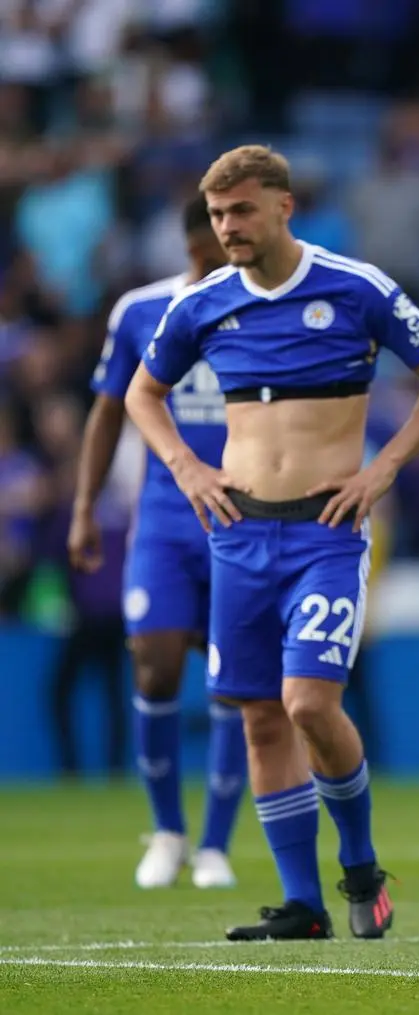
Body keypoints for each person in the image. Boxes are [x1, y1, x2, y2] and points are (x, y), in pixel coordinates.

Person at [124, 145, 419, 940]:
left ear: (284, 206)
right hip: (238, 533)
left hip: (324, 535)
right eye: (217, 216)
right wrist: (185, 465)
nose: (227, 228)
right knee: (258, 719)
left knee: (308, 702)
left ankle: (359, 867)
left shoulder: (354, 287)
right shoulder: (205, 302)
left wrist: (383, 468)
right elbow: (142, 393)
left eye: (242, 211)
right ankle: (303, 904)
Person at [68, 196, 245, 889]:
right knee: (154, 661)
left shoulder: (260, 309)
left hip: (241, 518)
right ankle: (168, 830)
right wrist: (84, 507)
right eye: (206, 247)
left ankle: (215, 845)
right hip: (165, 520)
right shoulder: (140, 311)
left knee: (232, 678)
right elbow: (108, 411)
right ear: (189, 244)